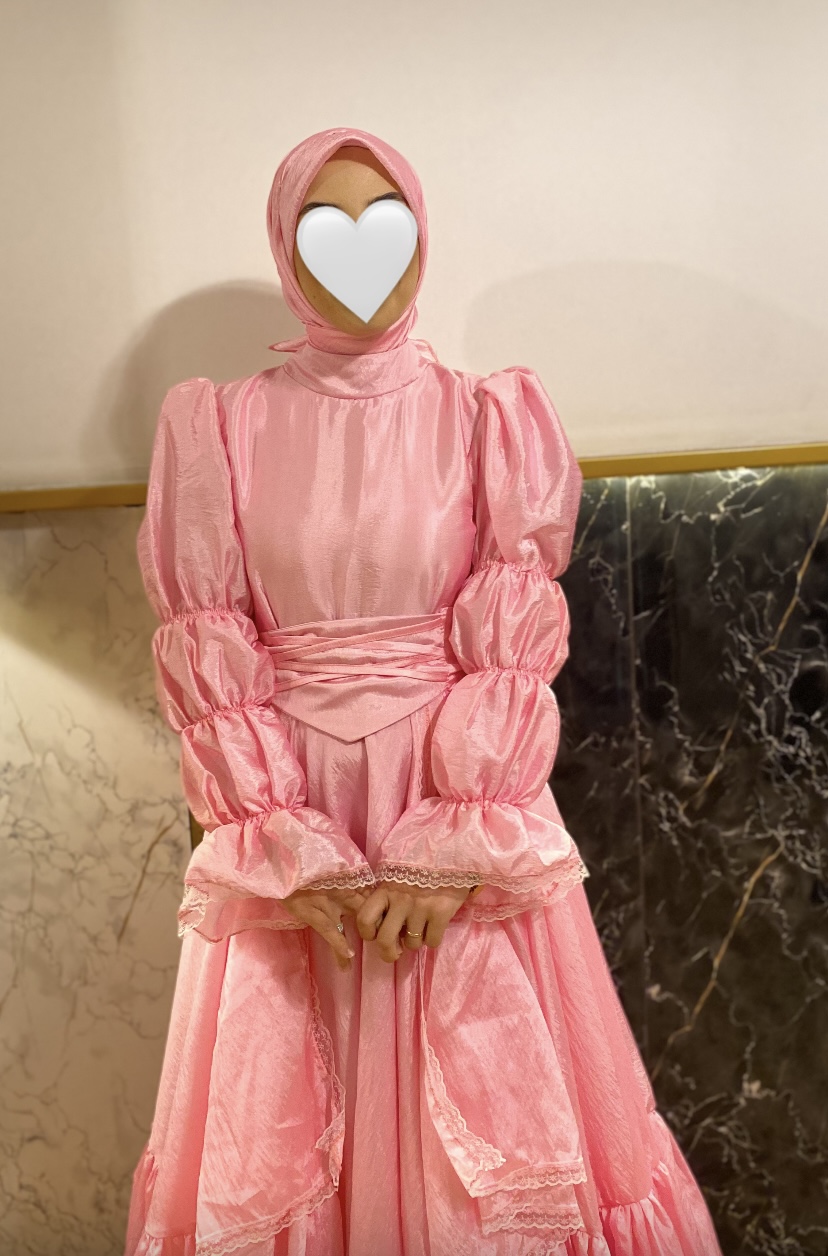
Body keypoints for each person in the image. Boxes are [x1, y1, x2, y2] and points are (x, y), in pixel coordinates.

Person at [124, 126, 722, 1256]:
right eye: (327, 226)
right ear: (287, 246)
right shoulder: (217, 424)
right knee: (288, 1123)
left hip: (459, 802)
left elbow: (513, 638)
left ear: (421, 236)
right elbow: (206, 639)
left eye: (385, 223)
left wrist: (459, 840)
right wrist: (275, 839)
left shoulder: (489, 417)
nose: (363, 252)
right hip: (295, 827)